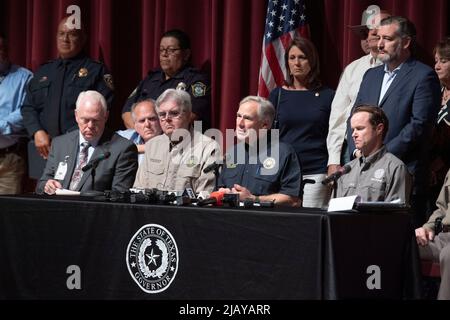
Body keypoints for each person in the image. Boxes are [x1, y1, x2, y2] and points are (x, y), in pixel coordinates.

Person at [348, 16, 441, 226]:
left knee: (397, 246)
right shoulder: (370, 75)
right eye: (378, 38)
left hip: (404, 174)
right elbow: (354, 117)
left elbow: (420, 125)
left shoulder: (423, 75)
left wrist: (382, 157)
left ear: (406, 42)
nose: (379, 44)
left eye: (387, 38)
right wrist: (356, 153)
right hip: (364, 177)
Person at [21, 16, 114, 178]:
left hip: (80, 149)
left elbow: (103, 111)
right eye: (61, 33)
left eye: (72, 34)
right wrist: (36, 132)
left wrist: (68, 140)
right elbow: (28, 106)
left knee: (72, 198)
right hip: (45, 149)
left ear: (83, 38)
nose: (65, 39)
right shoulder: (44, 71)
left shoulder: (96, 71)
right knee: (43, 197)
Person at [268, 37, 334, 208]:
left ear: (312, 61)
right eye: (292, 58)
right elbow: (268, 135)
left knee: (310, 228)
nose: (296, 63)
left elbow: (334, 134)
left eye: (302, 57)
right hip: (282, 173)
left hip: (315, 171)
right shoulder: (277, 95)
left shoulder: (328, 96)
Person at [327, 9, 390, 175]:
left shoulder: (400, 69)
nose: (372, 35)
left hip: (388, 151)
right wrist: (333, 160)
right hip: (352, 152)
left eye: (379, 29)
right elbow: (338, 115)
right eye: (367, 32)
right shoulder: (354, 69)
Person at [36, 91, 137, 195]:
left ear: (106, 116)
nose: (90, 125)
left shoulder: (123, 149)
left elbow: (119, 196)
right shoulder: (60, 144)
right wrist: (47, 185)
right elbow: (42, 183)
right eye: (85, 120)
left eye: (95, 120)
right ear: (76, 115)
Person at [218, 96, 302, 207]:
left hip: (266, 221)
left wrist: (253, 199)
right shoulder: (232, 153)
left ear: (265, 125)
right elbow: (220, 188)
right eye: (238, 116)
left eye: (247, 118)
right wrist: (222, 193)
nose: (240, 123)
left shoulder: (284, 153)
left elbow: (293, 199)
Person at [133, 88, 219, 193]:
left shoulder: (208, 148)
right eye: (162, 114)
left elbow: (205, 198)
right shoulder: (152, 146)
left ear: (188, 115)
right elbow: (138, 191)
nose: (167, 119)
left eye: (174, 113)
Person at [122, 29, 211, 130]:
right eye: (161, 50)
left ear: (186, 54)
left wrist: (157, 135)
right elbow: (127, 111)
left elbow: (193, 115)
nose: (164, 54)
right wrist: (144, 132)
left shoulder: (195, 80)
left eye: (171, 50)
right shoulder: (150, 79)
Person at [335, 105, 411, 202]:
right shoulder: (346, 169)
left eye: (360, 128)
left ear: (379, 129)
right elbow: (334, 211)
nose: (354, 134)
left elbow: (396, 214)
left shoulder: (395, 168)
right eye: (353, 129)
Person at [0, 33, 33, 194]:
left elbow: (27, 111)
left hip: (10, 159)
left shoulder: (24, 77)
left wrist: (1, 126)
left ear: (6, 50)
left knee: (7, 214)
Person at [416, 168, 450, 300]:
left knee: (448, 255)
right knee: (406, 245)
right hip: (445, 236)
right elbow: (442, 208)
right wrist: (428, 227)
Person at [428, 38, 450, 213]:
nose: (437, 66)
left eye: (443, 61)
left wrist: (440, 163)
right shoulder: (434, 92)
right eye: (436, 61)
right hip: (429, 172)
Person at [116, 99, 162, 164]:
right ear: (135, 125)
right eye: (142, 121)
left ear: (160, 119)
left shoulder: (171, 138)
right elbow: (105, 145)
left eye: (151, 119)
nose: (147, 124)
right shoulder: (128, 136)